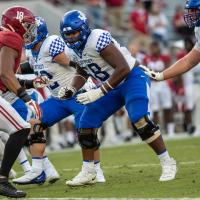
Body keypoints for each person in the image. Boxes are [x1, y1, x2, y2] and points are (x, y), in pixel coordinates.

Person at [59, 10, 177, 186]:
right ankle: (89, 172)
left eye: (74, 33)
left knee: (139, 119)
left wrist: (100, 91)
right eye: (67, 34)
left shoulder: (97, 38)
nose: (71, 37)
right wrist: (72, 88)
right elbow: (82, 70)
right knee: (85, 124)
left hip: (132, 78)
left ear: (84, 29)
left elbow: (122, 68)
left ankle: (167, 162)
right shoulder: (72, 49)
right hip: (112, 84)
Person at [12, 16, 105, 185]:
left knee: (87, 131)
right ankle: (37, 170)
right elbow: (31, 67)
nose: (26, 36)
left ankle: (96, 170)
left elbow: (78, 65)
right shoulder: (33, 53)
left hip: (77, 94)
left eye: (29, 32)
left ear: (39, 32)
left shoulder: (51, 42)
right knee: (35, 123)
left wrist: (90, 82)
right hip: (58, 99)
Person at [0, 6, 41, 198]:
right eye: (26, 25)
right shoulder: (12, 38)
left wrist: (31, 82)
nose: (29, 29)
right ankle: (2, 181)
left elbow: (7, 76)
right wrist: (27, 99)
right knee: (20, 128)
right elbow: (5, 74)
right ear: (15, 22)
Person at [0, 73, 60, 184]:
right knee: (21, 136)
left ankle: (35, 171)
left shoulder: (6, 63)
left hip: (22, 101)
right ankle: (47, 171)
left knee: (24, 136)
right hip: (16, 101)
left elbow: (9, 78)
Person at [140, 0, 200, 82]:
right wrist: (160, 76)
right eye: (190, 10)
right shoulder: (198, 29)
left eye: (194, 10)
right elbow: (189, 61)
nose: (190, 14)